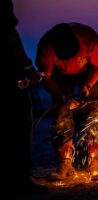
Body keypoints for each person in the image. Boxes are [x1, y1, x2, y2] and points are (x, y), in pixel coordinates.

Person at [35, 22, 98, 181]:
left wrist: (87, 87)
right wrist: (61, 95)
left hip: (89, 72)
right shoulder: (46, 47)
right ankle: (65, 163)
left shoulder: (89, 38)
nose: (71, 61)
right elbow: (44, 78)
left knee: (96, 114)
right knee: (61, 115)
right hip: (59, 77)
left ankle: (95, 162)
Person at [2, 0, 48, 196]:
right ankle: (20, 178)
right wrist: (30, 71)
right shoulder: (6, 27)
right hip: (10, 85)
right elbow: (14, 45)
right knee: (19, 126)